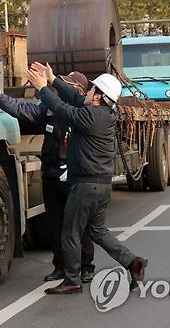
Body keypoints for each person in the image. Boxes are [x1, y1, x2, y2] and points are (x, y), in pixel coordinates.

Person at [26, 63, 147, 295]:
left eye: (92, 90)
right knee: (98, 231)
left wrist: (42, 89)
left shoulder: (90, 117)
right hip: (99, 185)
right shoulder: (104, 113)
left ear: (98, 97)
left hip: (85, 185)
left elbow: (64, 110)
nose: (87, 92)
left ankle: (72, 279)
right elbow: (73, 97)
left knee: (70, 232)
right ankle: (133, 262)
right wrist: (52, 80)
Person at [0, 72, 97, 283]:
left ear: (78, 90)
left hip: (74, 175)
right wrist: (0, 97)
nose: (59, 88)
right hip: (52, 173)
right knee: (56, 223)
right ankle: (61, 266)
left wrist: (70, 167)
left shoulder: (85, 112)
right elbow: (24, 111)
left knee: (80, 224)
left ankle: (87, 266)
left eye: (65, 85)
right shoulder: (52, 109)